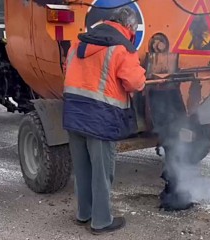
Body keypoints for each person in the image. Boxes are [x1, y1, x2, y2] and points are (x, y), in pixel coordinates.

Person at [62, 6, 146, 235]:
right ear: (128, 27)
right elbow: (135, 83)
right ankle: (100, 221)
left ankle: (84, 214)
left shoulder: (78, 43)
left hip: (73, 113)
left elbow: (69, 72)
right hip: (100, 119)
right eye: (134, 30)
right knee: (101, 172)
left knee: (82, 168)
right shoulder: (122, 48)